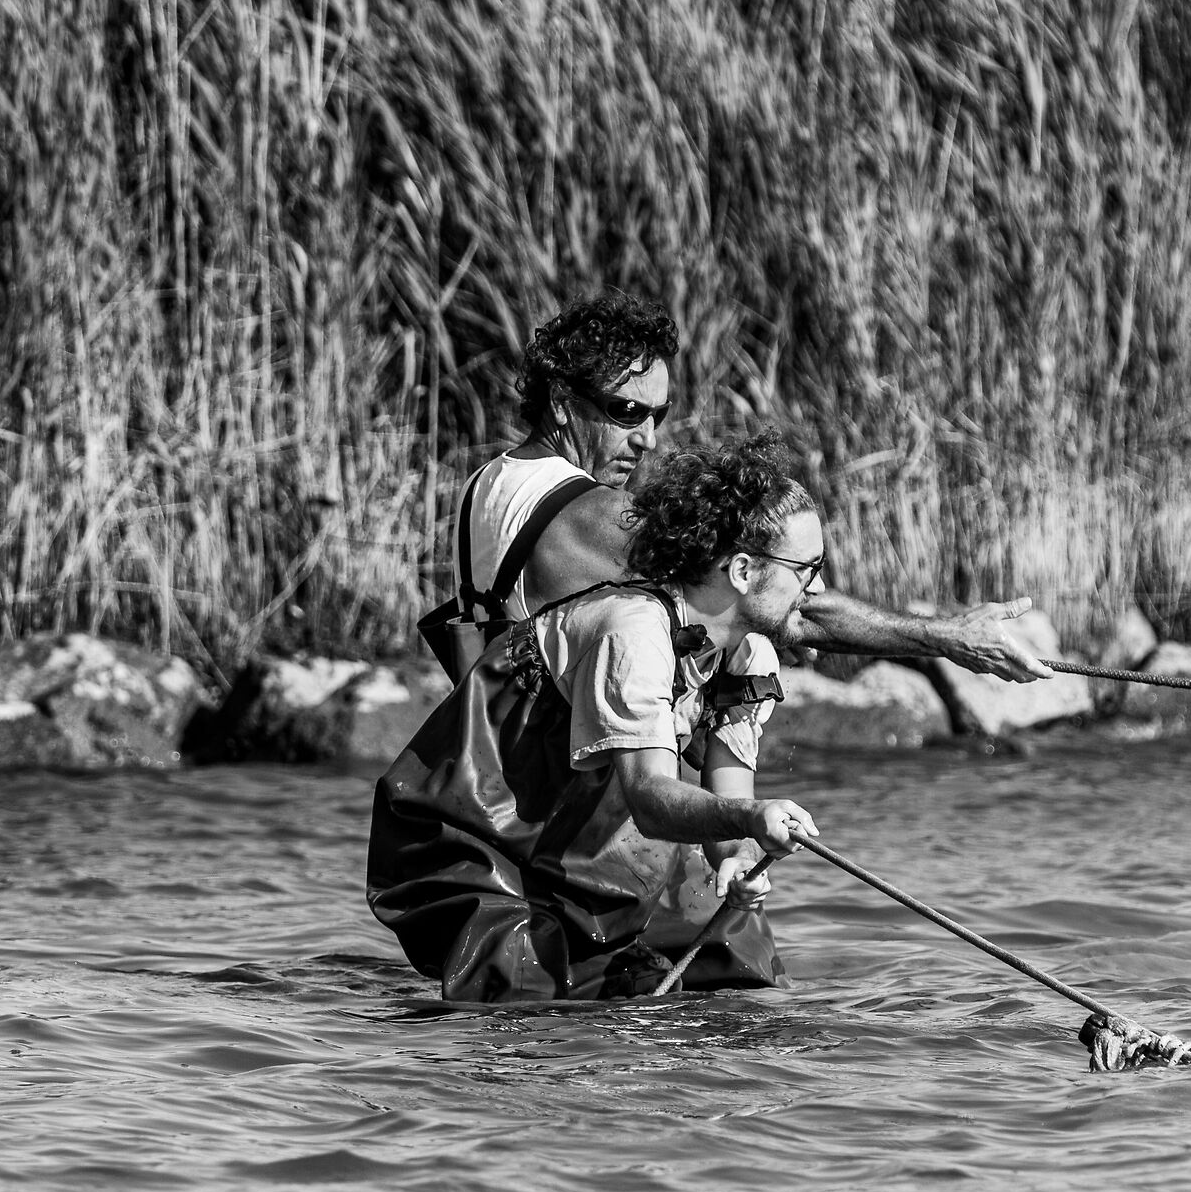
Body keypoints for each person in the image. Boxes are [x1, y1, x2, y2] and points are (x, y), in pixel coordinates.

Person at [369, 431, 825, 1001]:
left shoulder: (748, 653)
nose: (819, 587)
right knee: (521, 1009)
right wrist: (752, 816)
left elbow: (729, 796)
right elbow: (653, 800)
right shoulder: (632, 631)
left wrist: (737, 858)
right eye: (807, 567)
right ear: (741, 571)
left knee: (719, 982)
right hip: (468, 834)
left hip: (570, 850)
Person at [433, 292, 1054, 683]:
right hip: (540, 822)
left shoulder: (487, 484)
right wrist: (946, 637)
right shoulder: (588, 514)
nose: (648, 438)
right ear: (563, 404)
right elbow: (774, 594)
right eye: (627, 413)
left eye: (659, 415)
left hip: (495, 788)